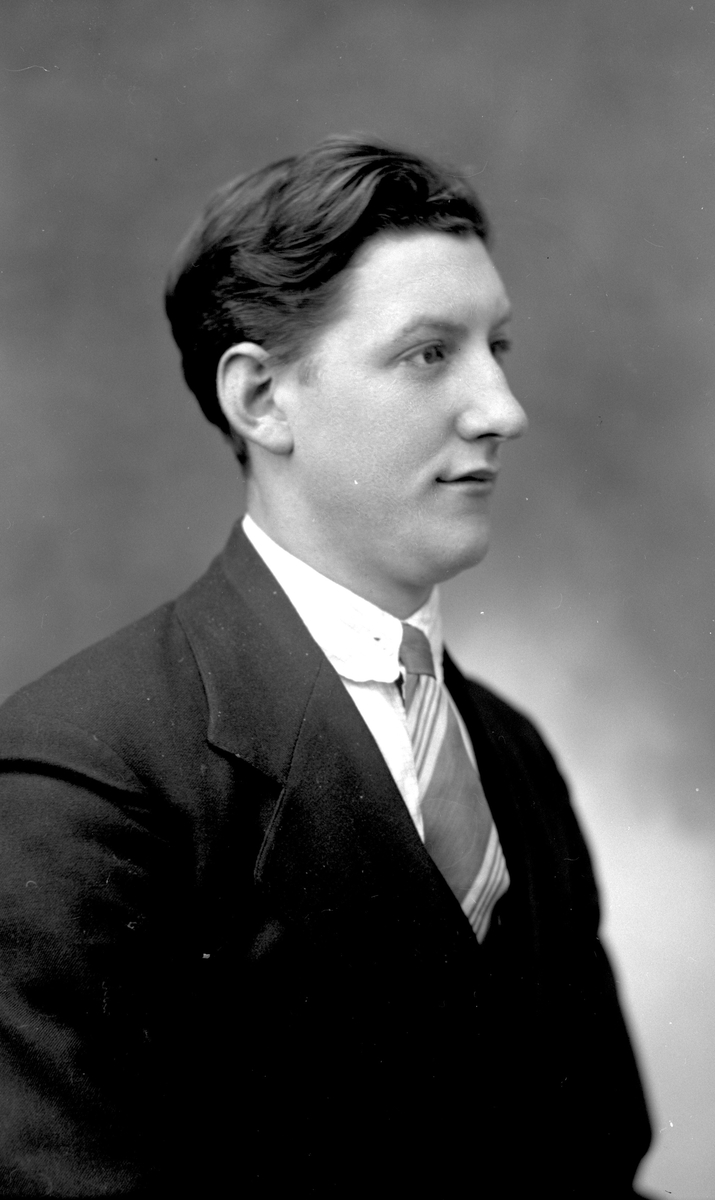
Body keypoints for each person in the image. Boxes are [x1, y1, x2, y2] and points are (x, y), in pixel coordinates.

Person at [0, 136, 652, 1197]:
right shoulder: (83, 779)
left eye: (497, 347)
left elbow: (597, 1162)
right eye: (428, 354)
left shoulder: (510, 754)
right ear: (262, 399)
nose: (502, 409)